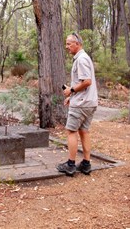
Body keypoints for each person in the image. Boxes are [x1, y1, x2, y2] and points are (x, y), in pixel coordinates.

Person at [57, 32, 98, 176]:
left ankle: (70, 164)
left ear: (77, 44)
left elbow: (87, 82)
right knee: (84, 131)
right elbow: (83, 82)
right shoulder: (83, 58)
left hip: (82, 104)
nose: (67, 47)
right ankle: (86, 164)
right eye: (66, 44)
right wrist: (72, 95)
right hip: (88, 102)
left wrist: (71, 90)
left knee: (71, 131)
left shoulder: (81, 59)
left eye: (69, 43)